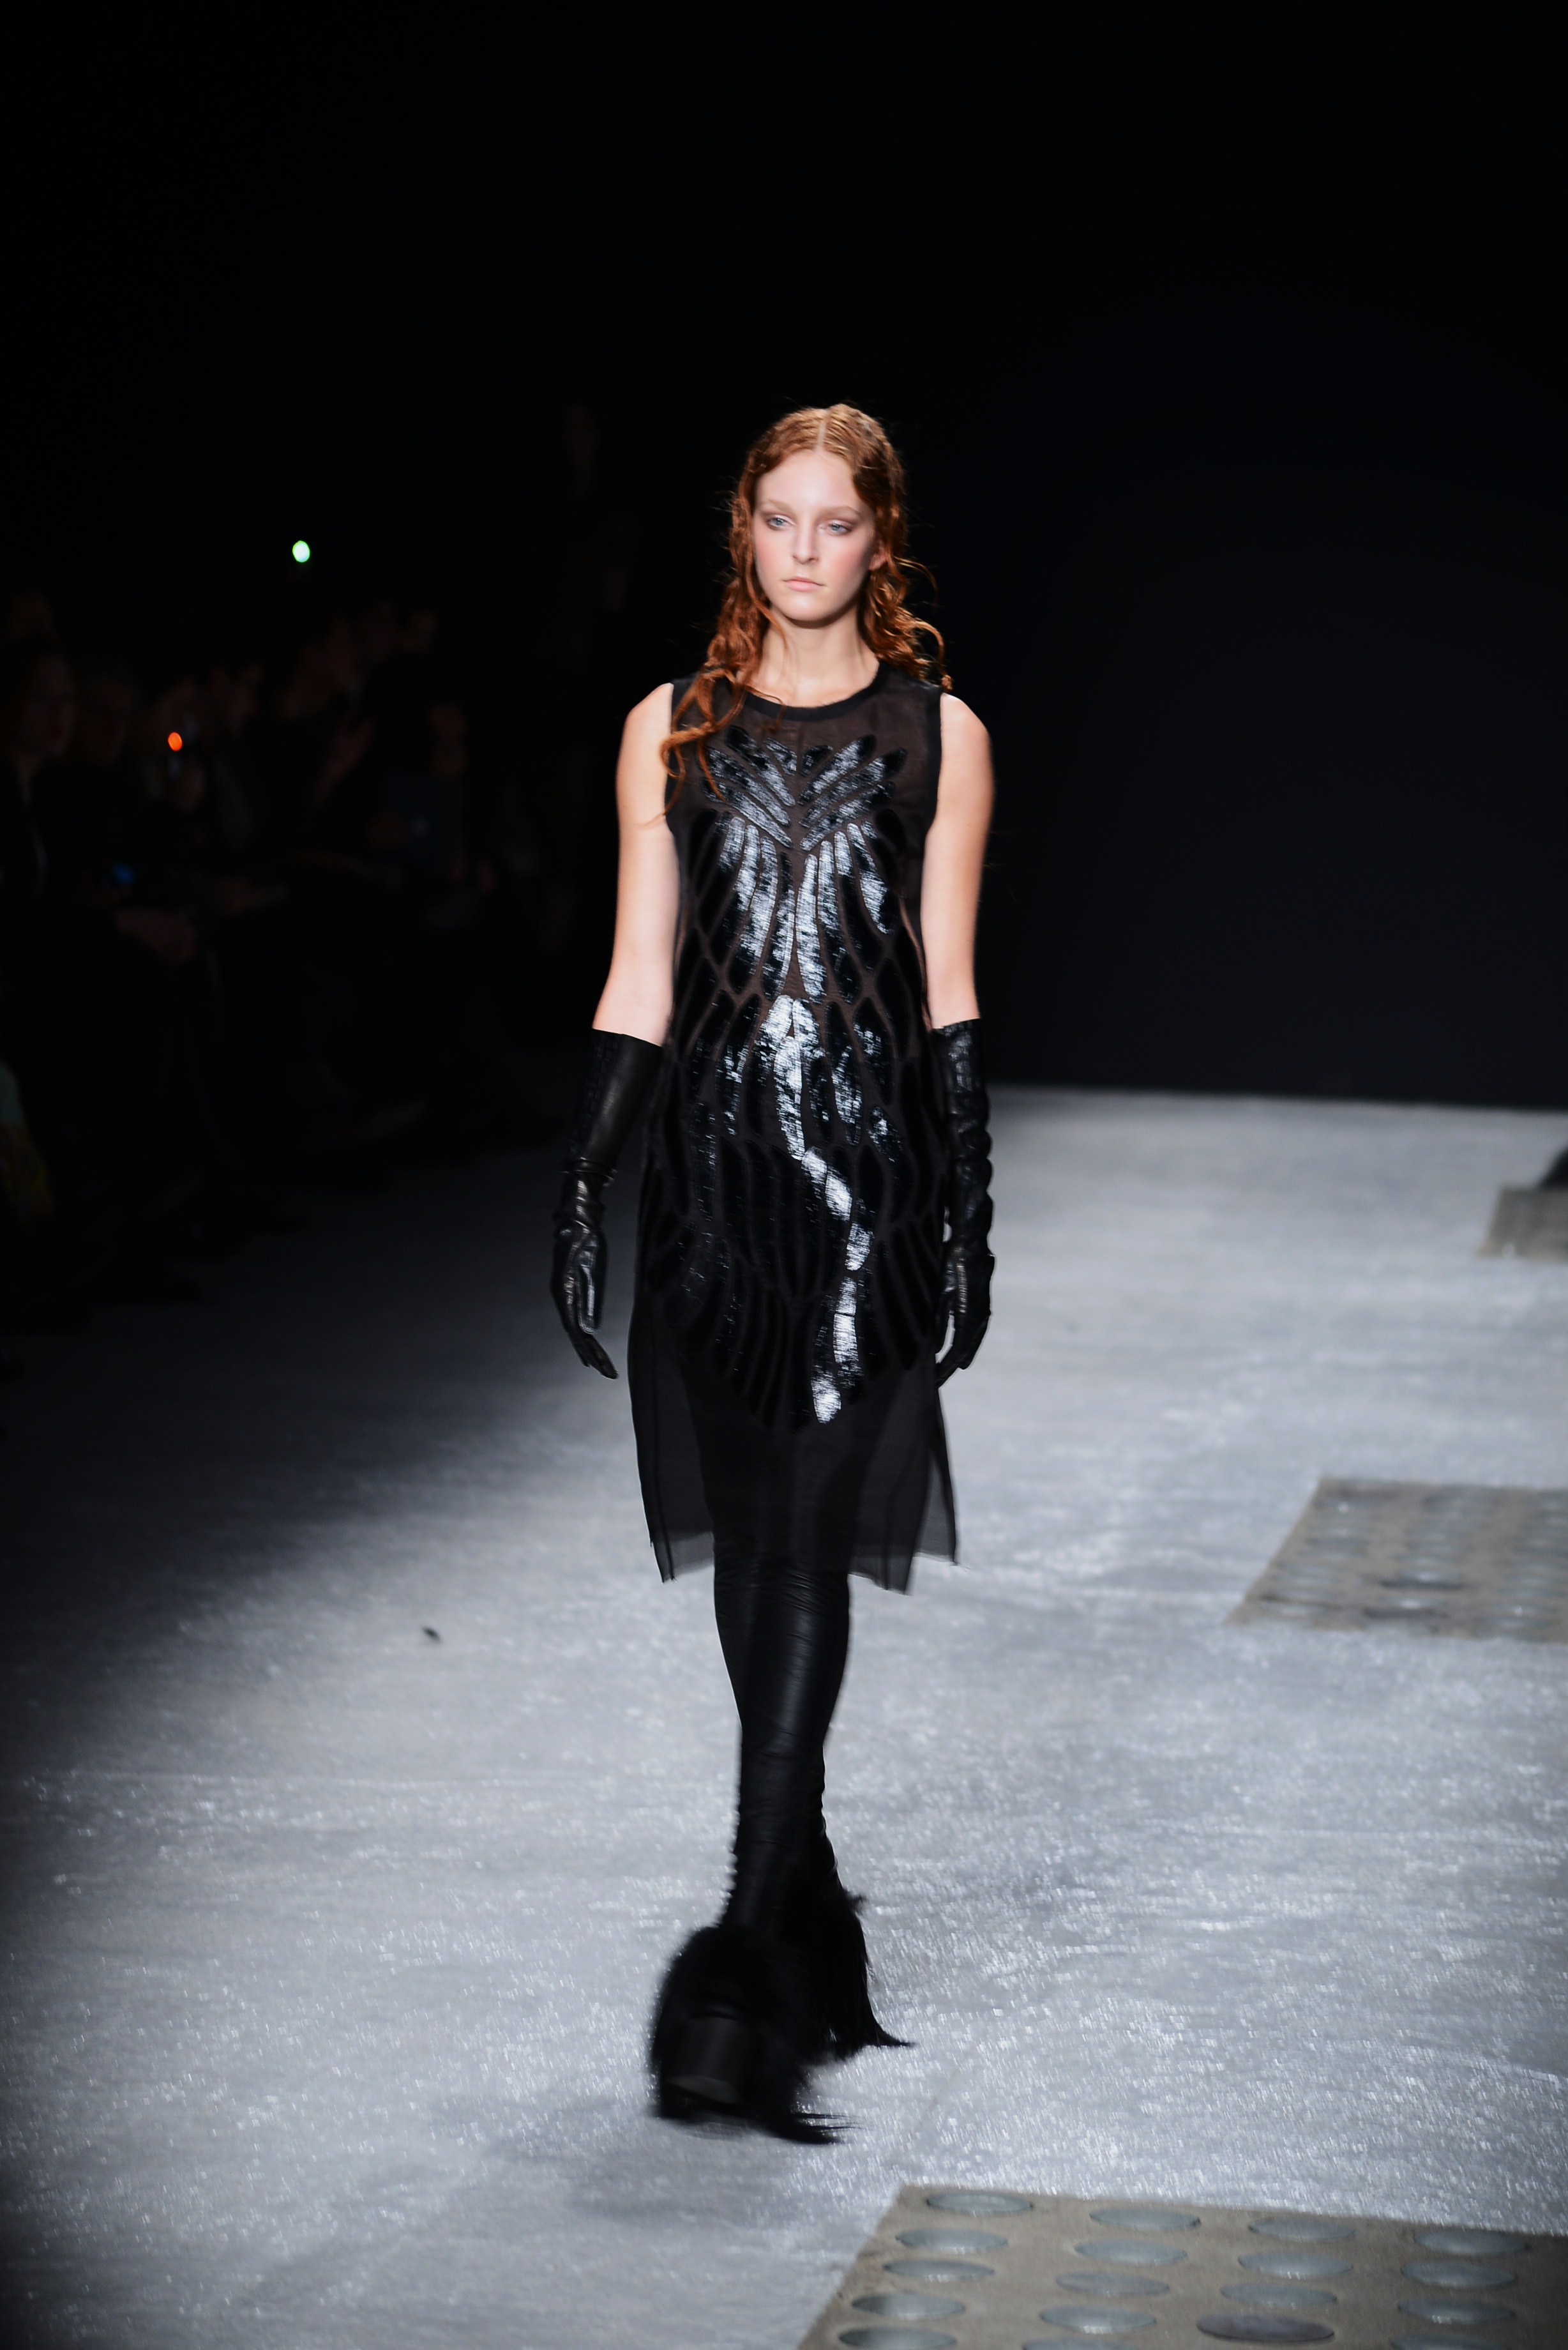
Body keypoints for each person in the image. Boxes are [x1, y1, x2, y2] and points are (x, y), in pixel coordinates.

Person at [549, 406, 995, 2140]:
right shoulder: (670, 727)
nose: (806, 552)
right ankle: (806, 1916)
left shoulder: (939, 735)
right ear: (743, 528)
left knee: (804, 1545)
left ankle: (743, 1964)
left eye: (837, 524)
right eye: (780, 520)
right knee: (749, 1550)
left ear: (882, 541)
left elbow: (947, 984)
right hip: (711, 1191)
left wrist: (969, 1209)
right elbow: (642, 973)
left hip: (871, 1191)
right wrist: (586, 1180)